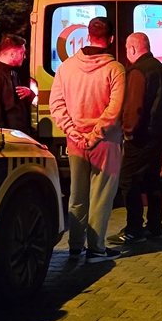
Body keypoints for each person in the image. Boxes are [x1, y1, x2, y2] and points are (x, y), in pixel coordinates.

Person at [48, 17, 126, 263]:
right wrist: (95, 136)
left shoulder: (66, 67)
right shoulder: (115, 69)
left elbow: (56, 105)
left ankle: (74, 246)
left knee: (77, 194)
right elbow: (114, 111)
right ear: (111, 39)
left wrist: (73, 133)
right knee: (102, 196)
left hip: (75, 143)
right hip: (109, 143)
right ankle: (96, 248)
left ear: (87, 36)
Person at [109, 32, 162, 245]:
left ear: (134, 49)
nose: (127, 54)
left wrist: (128, 131)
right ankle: (155, 226)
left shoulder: (138, 71)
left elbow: (134, 106)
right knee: (152, 178)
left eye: (127, 49)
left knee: (128, 179)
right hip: (160, 134)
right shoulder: (161, 69)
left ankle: (134, 228)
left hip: (143, 136)